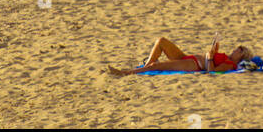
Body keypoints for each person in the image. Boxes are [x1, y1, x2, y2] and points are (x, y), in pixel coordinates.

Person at [106, 35, 253, 77]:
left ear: (241, 56)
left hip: (194, 65)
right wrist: (214, 50)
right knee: (161, 41)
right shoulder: (227, 56)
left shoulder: (231, 65)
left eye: (239, 50)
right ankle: (144, 68)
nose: (235, 49)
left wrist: (209, 57)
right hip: (188, 57)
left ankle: (125, 73)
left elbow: (212, 71)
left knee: (156, 66)